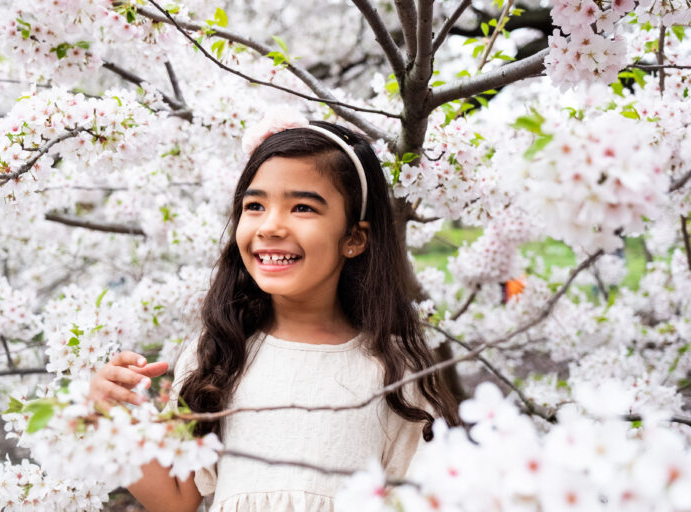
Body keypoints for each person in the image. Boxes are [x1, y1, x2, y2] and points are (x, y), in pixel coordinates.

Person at [88, 113, 461, 512]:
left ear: (353, 237)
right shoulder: (218, 353)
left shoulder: (394, 369)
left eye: (302, 207)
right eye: (255, 206)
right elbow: (176, 498)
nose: (270, 226)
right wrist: (107, 418)